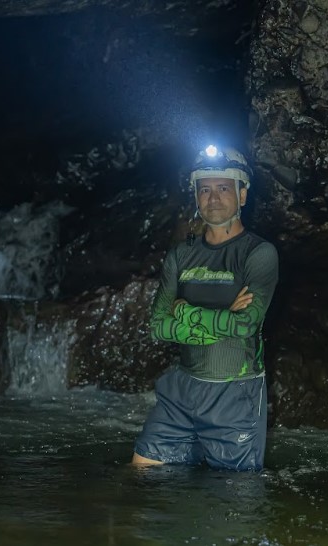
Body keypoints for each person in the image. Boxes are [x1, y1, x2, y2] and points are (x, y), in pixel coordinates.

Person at [132, 145, 279, 471]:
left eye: (224, 188)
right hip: (181, 391)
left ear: (242, 195)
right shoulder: (180, 255)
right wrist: (222, 317)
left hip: (235, 393)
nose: (213, 198)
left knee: (231, 502)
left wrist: (183, 312)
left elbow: (245, 326)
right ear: (196, 196)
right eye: (205, 189)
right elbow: (157, 326)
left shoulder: (259, 254)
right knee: (143, 474)